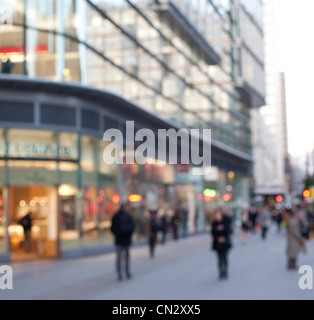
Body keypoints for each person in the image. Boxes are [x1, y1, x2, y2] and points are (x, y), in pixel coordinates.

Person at [110, 203, 135, 281]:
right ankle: (127, 272)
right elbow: (132, 227)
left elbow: (112, 228)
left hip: (119, 240)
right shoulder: (127, 216)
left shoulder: (116, 216)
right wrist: (128, 235)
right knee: (126, 257)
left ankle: (120, 273)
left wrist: (117, 234)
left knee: (119, 257)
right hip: (125, 240)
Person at [211, 210, 232, 280]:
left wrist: (224, 238)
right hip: (217, 244)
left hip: (225, 243)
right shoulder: (214, 223)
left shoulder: (225, 222)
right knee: (219, 259)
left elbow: (229, 231)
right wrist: (218, 238)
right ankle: (220, 272)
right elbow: (213, 233)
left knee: (225, 258)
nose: (218, 217)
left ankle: (225, 271)